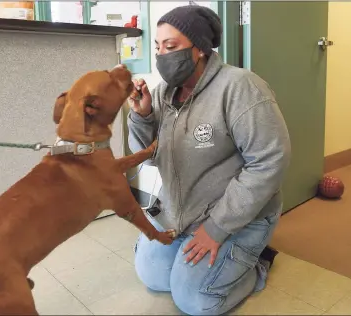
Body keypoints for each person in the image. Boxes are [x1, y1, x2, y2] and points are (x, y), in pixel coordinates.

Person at [126, 4, 292, 316]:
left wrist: (216, 228)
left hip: (239, 215)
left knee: (196, 301)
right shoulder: (163, 92)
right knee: (154, 277)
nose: (162, 56)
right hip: (183, 211)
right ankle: (206, 258)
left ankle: (257, 264)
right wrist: (143, 115)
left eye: (171, 47)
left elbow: (270, 161)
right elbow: (144, 158)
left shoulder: (240, 87)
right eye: (158, 47)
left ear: (200, 48)